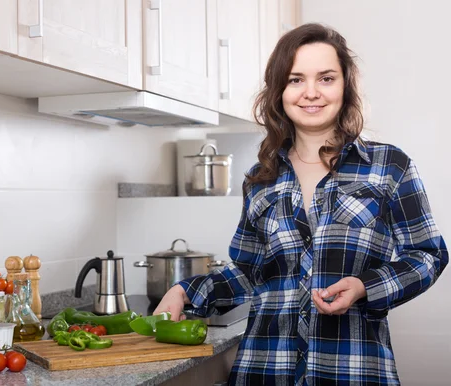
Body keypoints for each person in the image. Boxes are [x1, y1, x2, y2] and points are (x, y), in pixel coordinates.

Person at [153, 23, 448, 385]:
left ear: (345, 85)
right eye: (295, 80)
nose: (311, 93)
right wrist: (184, 291)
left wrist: (365, 286)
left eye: (326, 78)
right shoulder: (260, 178)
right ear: (279, 90)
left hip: (354, 370)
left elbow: (428, 255)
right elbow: (251, 271)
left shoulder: (390, 166)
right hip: (264, 368)